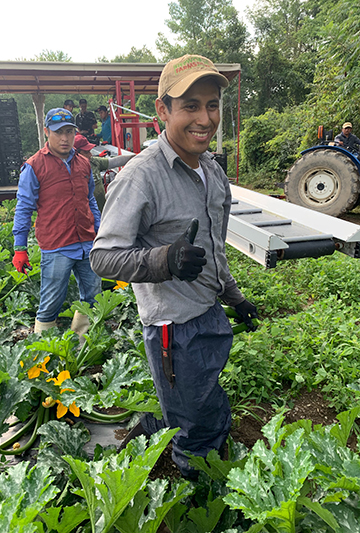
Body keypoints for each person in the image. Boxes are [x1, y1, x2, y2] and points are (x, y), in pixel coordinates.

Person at [90, 54, 258, 479]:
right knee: (193, 423)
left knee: (203, 400)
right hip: (173, 329)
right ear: (163, 110)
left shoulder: (212, 173)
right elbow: (102, 257)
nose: (205, 118)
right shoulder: (140, 177)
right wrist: (164, 259)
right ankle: (194, 486)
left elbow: (214, 251)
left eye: (213, 105)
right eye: (190, 106)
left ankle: (165, 427)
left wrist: (235, 297)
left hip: (209, 314)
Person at [12, 108, 102, 337]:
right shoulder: (34, 166)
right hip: (57, 245)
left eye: (69, 132)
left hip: (87, 242)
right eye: (58, 132)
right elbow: (24, 208)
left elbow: (89, 199)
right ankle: (45, 351)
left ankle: (83, 345)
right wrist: (19, 248)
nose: (64, 138)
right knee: (51, 300)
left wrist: (100, 231)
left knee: (93, 296)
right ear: (46, 133)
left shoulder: (83, 164)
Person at [73, 133, 135, 212]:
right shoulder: (71, 169)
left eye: (90, 151)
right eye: (86, 152)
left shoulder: (93, 161)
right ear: (76, 152)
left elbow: (114, 162)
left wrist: (136, 157)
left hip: (100, 211)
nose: (90, 154)